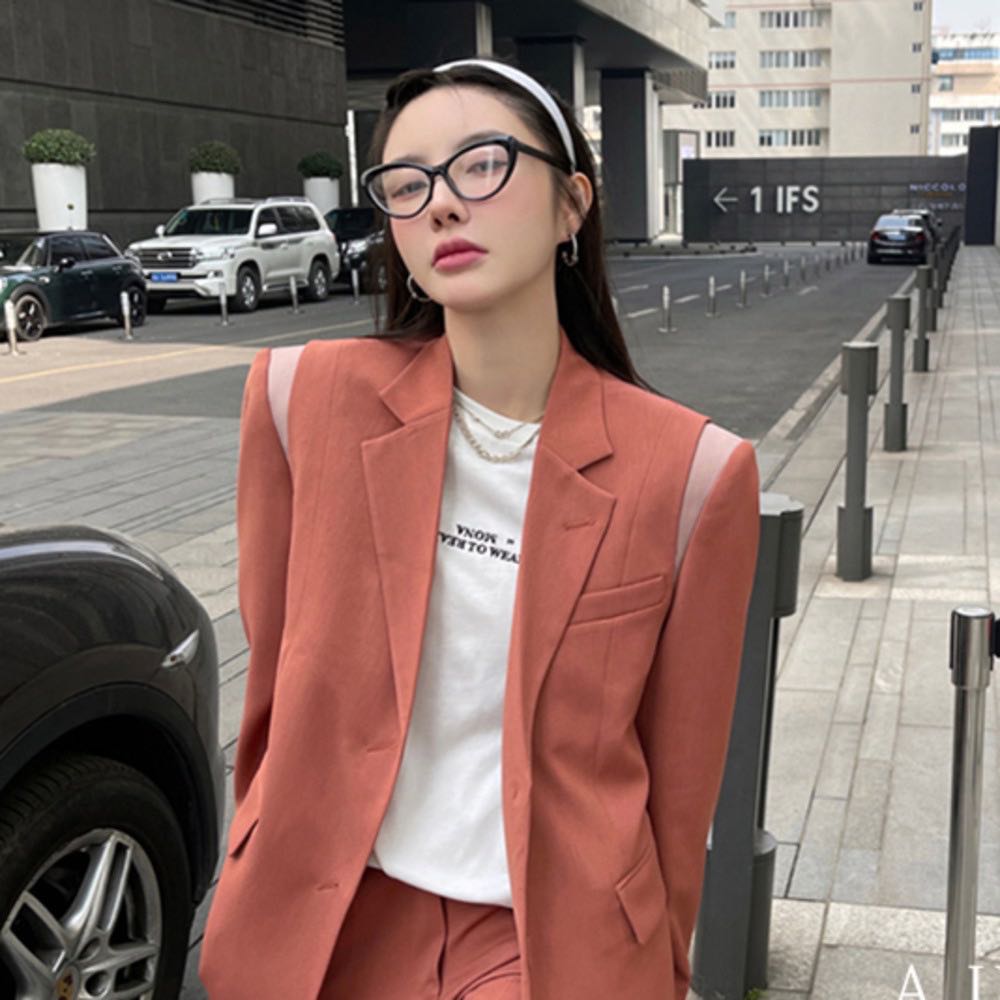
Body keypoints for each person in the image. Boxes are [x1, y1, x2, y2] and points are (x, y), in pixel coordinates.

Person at [198, 57, 760, 1000]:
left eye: (483, 164)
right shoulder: (300, 402)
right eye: (407, 183)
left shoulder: (693, 473)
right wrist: (259, 848)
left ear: (573, 204)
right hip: (326, 916)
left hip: (546, 941)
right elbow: (273, 694)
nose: (444, 205)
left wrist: (658, 968)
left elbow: (679, 787)